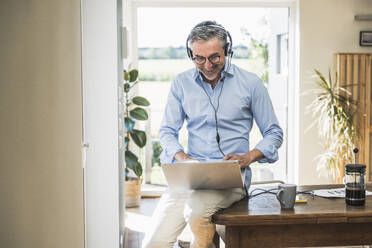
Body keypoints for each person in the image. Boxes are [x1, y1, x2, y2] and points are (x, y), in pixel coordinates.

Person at [142, 20, 283, 248]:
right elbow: (168, 130)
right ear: (191, 54)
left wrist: (248, 157)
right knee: (153, 243)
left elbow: (274, 132)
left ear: (227, 51)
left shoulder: (251, 83)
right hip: (190, 178)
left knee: (195, 212)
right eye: (199, 58)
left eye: (215, 57)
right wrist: (181, 157)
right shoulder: (181, 83)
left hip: (231, 181)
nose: (207, 65)